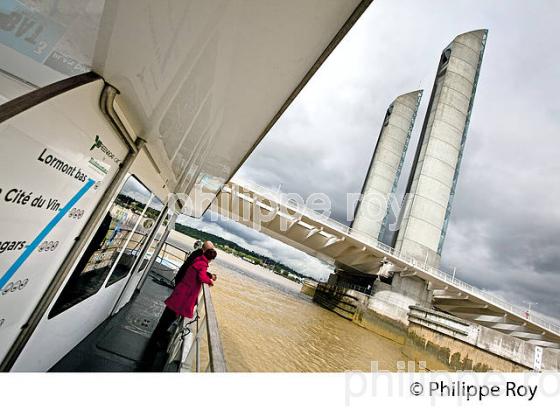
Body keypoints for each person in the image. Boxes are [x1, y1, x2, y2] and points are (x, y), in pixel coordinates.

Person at [149, 248, 218, 348]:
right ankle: (155, 341)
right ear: (211, 259)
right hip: (183, 295)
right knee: (169, 318)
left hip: (181, 291)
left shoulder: (198, 260)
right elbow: (202, 277)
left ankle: (156, 337)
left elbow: (199, 273)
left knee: (167, 317)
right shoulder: (202, 264)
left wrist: (209, 276)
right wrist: (210, 281)